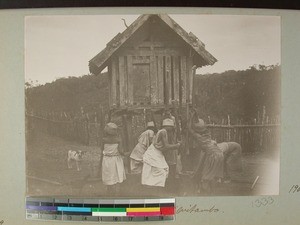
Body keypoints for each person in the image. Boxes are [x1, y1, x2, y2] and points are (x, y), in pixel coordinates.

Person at [141, 118, 181, 195]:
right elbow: (166, 146)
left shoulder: (164, 132)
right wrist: (177, 145)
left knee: (162, 170)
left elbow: (163, 147)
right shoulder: (163, 132)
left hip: (157, 153)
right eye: (171, 127)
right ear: (168, 126)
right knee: (160, 170)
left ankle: (155, 186)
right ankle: (154, 186)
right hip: (153, 153)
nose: (172, 129)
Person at [188, 114, 224, 194]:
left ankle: (205, 195)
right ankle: (212, 193)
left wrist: (190, 118)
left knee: (205, 177)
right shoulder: (208, 134)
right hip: (219, 154)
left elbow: (190, 129)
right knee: (213, 176)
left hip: (213, 155)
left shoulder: (199, 137)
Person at [101, 122, 126, 196]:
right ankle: (117, 192)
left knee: (108, 175)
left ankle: (109, 191)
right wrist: (126, 153)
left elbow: (101, 148)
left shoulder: (103, 140)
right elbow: (121, 151)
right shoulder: (118, 140)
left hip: (107, 159)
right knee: (117, 175)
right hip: (116, 159)